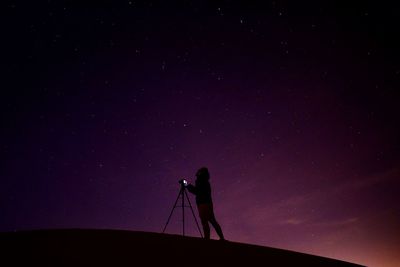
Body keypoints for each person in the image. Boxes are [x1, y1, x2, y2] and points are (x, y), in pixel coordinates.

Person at [187, 167, 225, 240]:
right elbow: (199, 191)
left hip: (203, 204)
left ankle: (208, 238)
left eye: (199, 172)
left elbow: (198, 192)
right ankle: (220, 238)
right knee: (211, 221)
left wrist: (189, 187)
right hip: (206, 203)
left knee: (206, 221)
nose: (197, 173)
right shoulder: (204, 181)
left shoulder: (201, 181)